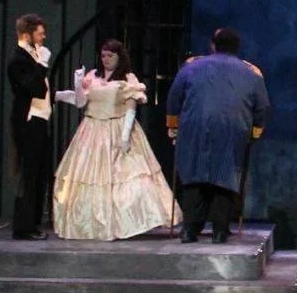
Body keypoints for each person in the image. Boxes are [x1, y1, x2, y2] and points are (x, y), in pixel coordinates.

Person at [51, 38, 175, 241]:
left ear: (119, 57)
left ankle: (123, 222)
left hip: (117, 127)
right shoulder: (93, 75)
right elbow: (81, 102)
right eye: (103, 56)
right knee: (90, 177)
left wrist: (125, 136)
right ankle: (92, 223)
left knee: (126, 177)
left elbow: (131, 109)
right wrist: (77, 84)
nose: (106, 59)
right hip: (92, 129)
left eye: (110, 56)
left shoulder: (127, 78)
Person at [164, 27, 272, 243]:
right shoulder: (252, 73)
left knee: (194, 175)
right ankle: (220, 230)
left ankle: (189, 230)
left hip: (195, 126)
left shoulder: (191, 67)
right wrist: (255, 131)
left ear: (213, 45)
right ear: (237, 47)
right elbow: (262, 106)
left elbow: (174, 96)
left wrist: (173, 124)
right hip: (233, 129)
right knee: (226, 176)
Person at [6, 14, 55, 240]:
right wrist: (42, 64)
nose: (43, 37)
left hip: (39, 120)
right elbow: (32, 87)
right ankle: (23, 227)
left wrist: (58, 96)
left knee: (39, 173)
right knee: (29, 174)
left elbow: (42, 91)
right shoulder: (18, 59)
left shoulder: (31, 56)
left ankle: (33, 223)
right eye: (40, 33)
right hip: (28, 122)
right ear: (27, 35)